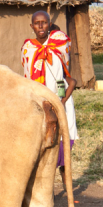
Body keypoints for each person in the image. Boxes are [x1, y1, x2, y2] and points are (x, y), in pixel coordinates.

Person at [21, 11, 79, 186]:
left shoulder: (59, 46)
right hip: (38, 104)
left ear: (49, 25)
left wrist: (60, 103)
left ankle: (67, 186)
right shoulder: (28, 49)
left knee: (63, 145)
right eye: (37, 23)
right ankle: (42, 188)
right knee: (39, 145)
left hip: (61, 102)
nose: (40, 26)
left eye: (44, 23)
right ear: (31, 26)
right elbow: (27, 78)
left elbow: (71, 81)